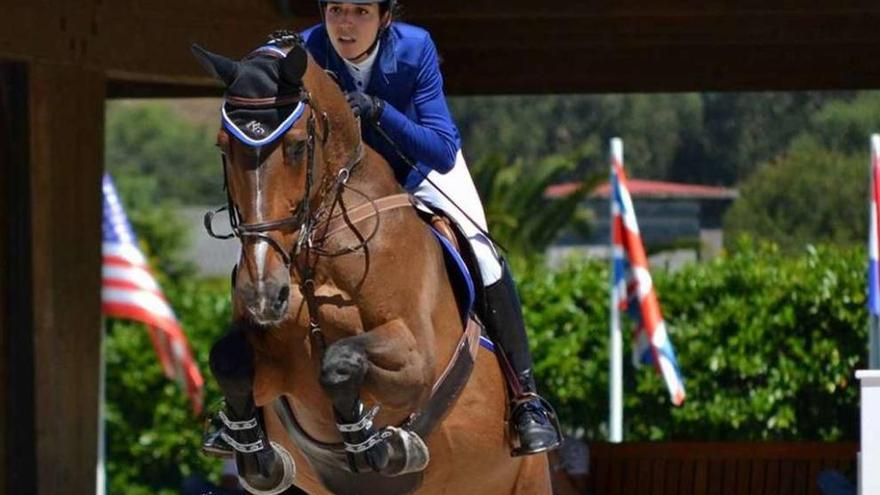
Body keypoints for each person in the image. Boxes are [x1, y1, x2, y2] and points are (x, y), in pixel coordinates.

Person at [205, 0, 562, 459]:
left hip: (416, 168)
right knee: (267, 248)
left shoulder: (415, 49)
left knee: (485, 254)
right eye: (335, 10)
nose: (346, 24)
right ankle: (241, 407)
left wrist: (380, 112)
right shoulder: (307, 51)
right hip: (341, 182)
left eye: (360, 11)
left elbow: (442, 149)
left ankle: (525, 399)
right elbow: (259, 81)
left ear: (385, 18)